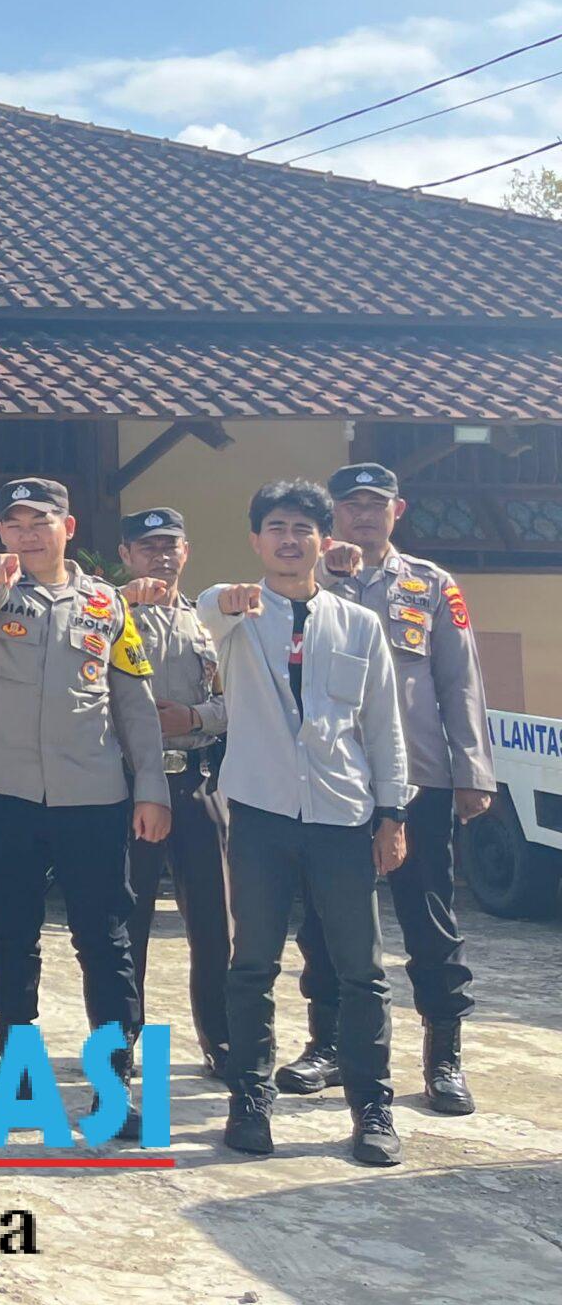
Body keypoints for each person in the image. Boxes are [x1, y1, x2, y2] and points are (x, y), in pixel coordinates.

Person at [196, 478, 410, 1166]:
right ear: (256, 540)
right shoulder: (234, 614)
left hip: (342, 815)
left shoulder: (358, 625)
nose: (290, 541)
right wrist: (224, 599)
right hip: (260, 814)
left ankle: (372, 1107)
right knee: (253, 964)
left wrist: (392, 812)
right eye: (277, 528)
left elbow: (383, 725)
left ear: (324, 542)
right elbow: (205, 610)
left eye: (302, 529)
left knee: (362, 970)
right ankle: (250, 1098)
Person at [0, 477, 168, 1135]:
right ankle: (17, 1077)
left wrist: (151, 786)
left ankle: (114, 1085)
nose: (27, 535)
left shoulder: (107, 605)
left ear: (67, 528)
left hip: (93, 796)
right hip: (9, 795)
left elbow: (133, 700)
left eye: (40, 522)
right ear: (1, 533)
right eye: (14, 524)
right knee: (12, 938)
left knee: (104, 941)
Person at [283, 463, 496, 1116]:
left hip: (420, 777)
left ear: (397, 512)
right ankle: (327, 1045)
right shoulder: (307, 580)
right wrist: (327, 579)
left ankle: (444, 1057)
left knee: (429, 920)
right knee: (325, 918)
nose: (364, 516)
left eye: (376, 505)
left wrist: (472, 770)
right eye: (351, 506)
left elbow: (459, 679)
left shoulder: (430, 585)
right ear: (334, 515)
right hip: (335, 777)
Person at [116, 506, 234, 1084]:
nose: (161, 556)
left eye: (170, 546)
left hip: (197, 781)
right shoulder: (109, 615)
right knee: (125, 921)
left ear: (186, 552)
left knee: (214, 922)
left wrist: (194, 716)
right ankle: (120, 1040)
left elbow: (236, 701)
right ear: (126, 556)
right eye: (148, 547)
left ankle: (222, 1038)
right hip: (128, 785)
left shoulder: (210, 622)